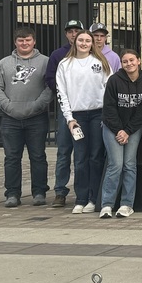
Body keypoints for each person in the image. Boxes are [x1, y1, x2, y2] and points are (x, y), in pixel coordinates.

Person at [0, 27, 52, 207]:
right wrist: (8, 107)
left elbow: (50, 88)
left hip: (37, 118)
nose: (24, 43)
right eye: (20, 40)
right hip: (10, 119)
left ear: (34, 41)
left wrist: (36, 106)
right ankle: (12, 194)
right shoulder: (4, 63)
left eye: (28, 40)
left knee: (38, 156)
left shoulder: (45, 62)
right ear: (15, 42)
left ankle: (39, 192)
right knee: (11, 157)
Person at [56, 30, 112, 214]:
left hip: (97, 115)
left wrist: (106, 115)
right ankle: (80, 198)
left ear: (93, 43)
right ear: (75, 41)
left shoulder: (100, 62)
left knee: (96, 157)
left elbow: (109, 88)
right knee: (80, 158)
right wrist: (69, 118)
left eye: (88, 40)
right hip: (77, 117)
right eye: (81, 40)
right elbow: (62, 93)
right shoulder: (65, 64)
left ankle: (93, 199)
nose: (84, 43)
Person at [99, 50, 142, 219]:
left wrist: (128, 130)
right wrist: (119, 130)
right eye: (125, 61)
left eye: (132, 60)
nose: (129, 64)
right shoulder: (114, 80)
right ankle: (107, 204)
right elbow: (109, 108)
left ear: (139, 61)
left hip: (133, 129)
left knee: (129, 165)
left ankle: (126, 204)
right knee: (115, 165)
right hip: (112, 128)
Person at [44, 19, 83, 207]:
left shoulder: (89, 55)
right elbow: (50, 78)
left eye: (77, 31)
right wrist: (65, 90)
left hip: (86, 109)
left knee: (84, 152)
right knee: (64, 151)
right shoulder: (58, 54)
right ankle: (60, 191)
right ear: (66, 34)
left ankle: (83, 191)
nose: (73, 34)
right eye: (70, 31)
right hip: (66, 108)